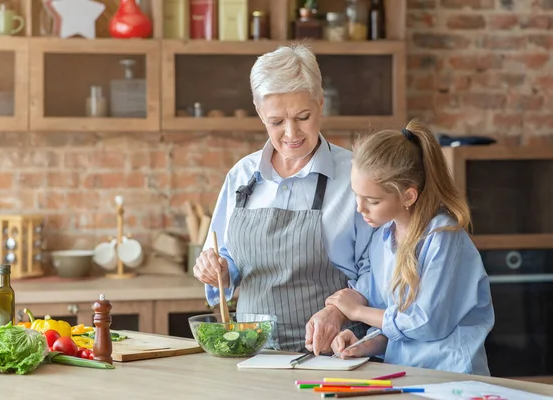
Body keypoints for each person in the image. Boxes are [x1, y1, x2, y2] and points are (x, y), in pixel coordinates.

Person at [192, 44, 374, 352]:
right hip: (251, 353)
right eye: (276, 121)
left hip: (333, 354)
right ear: (259, 111)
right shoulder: (241, 176)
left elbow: (379, 271)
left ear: (320, 103)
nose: (291, 133)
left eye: (303, 116)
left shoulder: (356, 177)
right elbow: (225, 256)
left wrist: (338, 311)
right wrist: (217, 271)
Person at [326, 119, 495, 375]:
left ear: (408, 195)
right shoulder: (383, 237)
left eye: (372, 200)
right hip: (406, 374)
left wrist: (359, 312)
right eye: (356, 196)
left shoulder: (442, 237)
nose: (360, 209)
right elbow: (394, 323)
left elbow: (426, 324)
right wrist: (366, 344)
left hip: (451, 378)